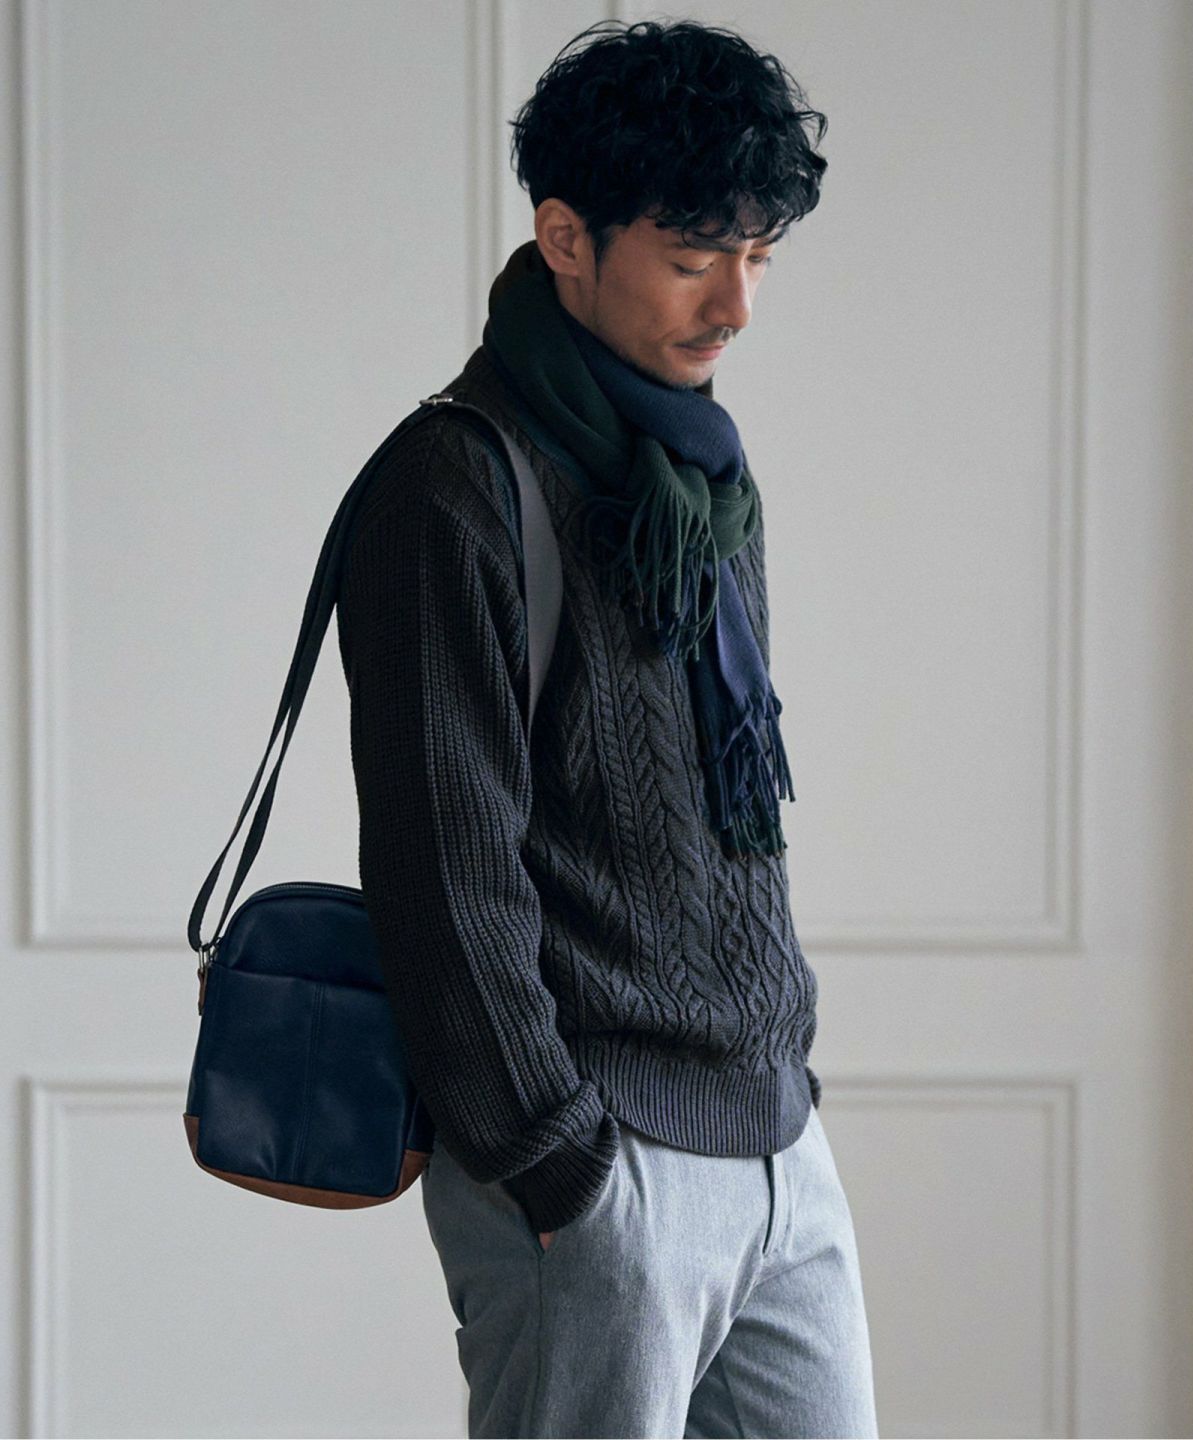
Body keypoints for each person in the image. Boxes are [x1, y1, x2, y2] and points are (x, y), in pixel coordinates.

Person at [335, 17, 878, 1439]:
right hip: (597, 1161)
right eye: (695, 256)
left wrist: (785, 1094)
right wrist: (557, 1164)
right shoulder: (454, 486)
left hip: (775, 1139)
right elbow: (443, 870)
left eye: (759, 255)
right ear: (566, 236)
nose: (737, 304)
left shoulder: (698, 477)